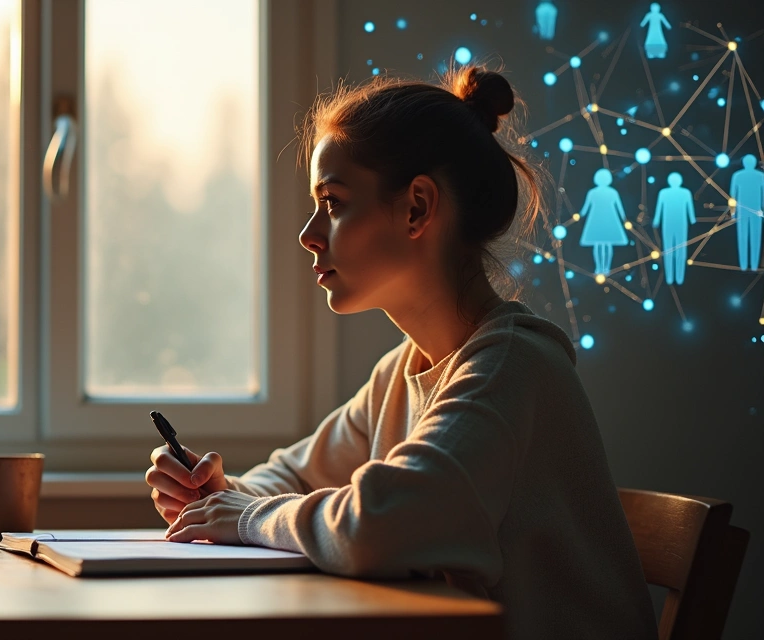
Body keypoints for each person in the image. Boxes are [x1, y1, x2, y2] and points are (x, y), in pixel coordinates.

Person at [146, 67, 656, 639]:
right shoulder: (402, 371)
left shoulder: (511, 367)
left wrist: (245, 517)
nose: (308, 234)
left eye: (333, 202)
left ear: (416, 207)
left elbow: (380, 526)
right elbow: (294, 475)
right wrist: (221, 491)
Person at [578, 168, 629, 276]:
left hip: (600, 221)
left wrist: (579, 215)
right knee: (605, 245)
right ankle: (603, 268)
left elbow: (584, 210)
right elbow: (620, 208)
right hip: (605, 221)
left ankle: (602, 268)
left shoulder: (594, 192)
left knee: (599, 245)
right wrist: (624, 219)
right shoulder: (611, 192)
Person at [652, 172, 696, 285]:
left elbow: (659, 209)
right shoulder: (685, 193)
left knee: (669, 250)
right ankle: (678, 277)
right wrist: (692, 220)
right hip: (679, 224)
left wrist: (656, 221)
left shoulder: (664, 193)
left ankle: (671, 277)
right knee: (679, 250)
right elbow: (690, 210)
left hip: (669, 224)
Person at [730, 154, 764, 271]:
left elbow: (732, 198)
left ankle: (744, 265)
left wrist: (733, 213)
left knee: (743, 238)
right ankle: (754, 266)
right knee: (755, 238)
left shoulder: (737, 176)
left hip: (742, 212)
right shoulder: (760, 176)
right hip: (756, 211)